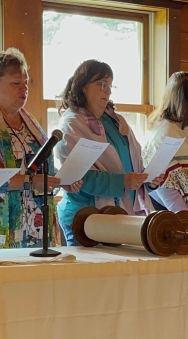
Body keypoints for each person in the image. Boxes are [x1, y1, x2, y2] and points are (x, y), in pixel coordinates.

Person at [0, 48, 81, 250]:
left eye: (26, 83)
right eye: (16, 83)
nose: (24, 89)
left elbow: (41, 170)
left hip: (34, 224)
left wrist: (61, 182)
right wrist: (30, 181)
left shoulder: (30, 122)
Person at [55, 59, 163, 246]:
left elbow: (130, 162)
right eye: (102, 84)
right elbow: (77, 177)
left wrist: (147, 179)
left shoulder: (115, 120)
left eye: (110, 86)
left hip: (120, 213)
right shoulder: (72, 124)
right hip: (86, 216)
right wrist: (123, 181)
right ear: (83, 87)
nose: (108, 90)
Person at [142, 71, 188, 234]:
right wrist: (187, 221)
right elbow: (163, 186)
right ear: (181, 101)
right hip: (179, 225)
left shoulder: (187, 129)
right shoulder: (165, 131)